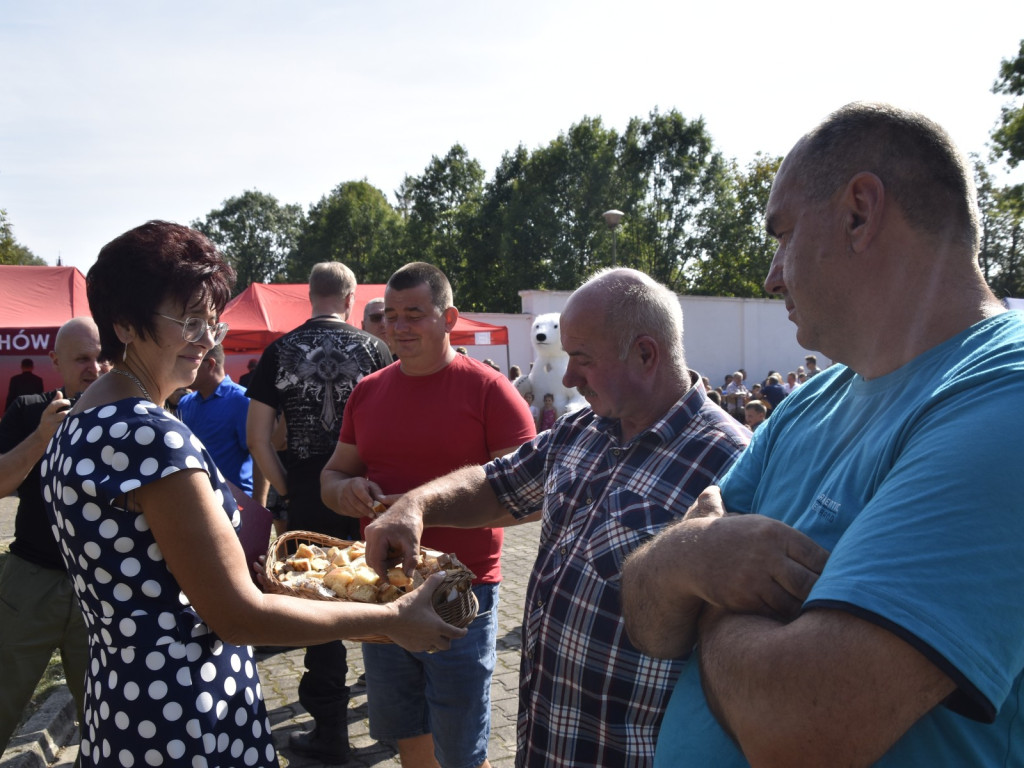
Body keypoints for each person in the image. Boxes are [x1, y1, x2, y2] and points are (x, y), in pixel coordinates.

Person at [620, 103, 1024, 767]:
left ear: (860, 212)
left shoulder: (1005, 398)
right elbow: (644, 612)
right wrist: (692, 560)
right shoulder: (811, 403)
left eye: (782, 235)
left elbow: (800, 730)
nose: (772, 274)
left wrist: (710, 593)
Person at [41, 221, 459, 768]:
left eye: (212, 321)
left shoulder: (80, 419)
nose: (207, 340)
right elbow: (238, 616)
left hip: (124, 698)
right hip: (187, 712)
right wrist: (391, 620)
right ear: (124, 325)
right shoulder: (150, 436)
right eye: (189, 321)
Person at [362, 267, 749, 768]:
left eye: (582, 360)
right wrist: (415, 506)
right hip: (548, 745)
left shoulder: (734, 463)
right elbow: (496, 484)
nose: (566, 378)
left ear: (647, 354)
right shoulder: (583, 429)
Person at [320, 261, 537, 768]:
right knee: (405, 725)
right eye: (390, 315)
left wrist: (423, 512)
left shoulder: (489, 391)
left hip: (462, 590)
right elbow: (331, 478)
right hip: (383, 585)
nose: (398, 327)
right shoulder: (368, 391)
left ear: (449, 318)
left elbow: (533, 500)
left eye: (413, 314)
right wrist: (345, 489)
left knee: (461, 739)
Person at [245, 260, 393, 762]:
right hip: (365, 493)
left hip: (310, 492)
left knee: (317, 607)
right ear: (351, 299)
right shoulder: (375, 349)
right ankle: (397, 718)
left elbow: (256, 437)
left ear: (309, 296)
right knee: (383, 593)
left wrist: (289, 487)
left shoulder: (280, 351)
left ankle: (330, 731)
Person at [0, 317, 102, 752]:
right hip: (30, 581)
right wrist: (42, 436)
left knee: (103, 717)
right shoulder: (28, 410)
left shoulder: (123, 418)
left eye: (102, 358)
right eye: (82, 359)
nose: (94, 369)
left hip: (97, 584)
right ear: (55, 360)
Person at [177, 343, 258, 495]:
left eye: (192, 361)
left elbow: (259, 453)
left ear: (210, 364)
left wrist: (259, 505)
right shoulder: (185, 402)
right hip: (195, 497)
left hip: (237, 502)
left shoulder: (241, 400)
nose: (184, 368)